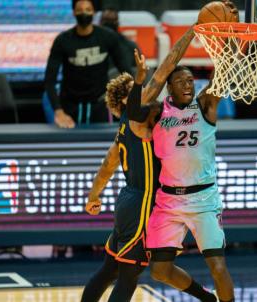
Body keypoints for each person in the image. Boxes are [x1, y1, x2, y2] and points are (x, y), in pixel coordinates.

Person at [81, 8, 218, 301]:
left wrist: (94, 196)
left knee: (109, 269)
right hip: (143, 201)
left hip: (127, 200)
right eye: (138, 89)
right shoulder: (139, 114)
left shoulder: (124, 127)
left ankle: (206, 298)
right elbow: (169, 64)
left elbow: (107, 165)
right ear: (128, 98)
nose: (147, 92)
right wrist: (194, 30)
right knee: (129, 276)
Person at [127, 4, 238, 302]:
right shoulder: (157, 112)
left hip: (203, 198)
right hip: (169, 200)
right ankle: (206, 298)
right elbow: (133, 111)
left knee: (217, 265)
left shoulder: (205, 105)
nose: (188, 84)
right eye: (181, 81)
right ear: (170, 89)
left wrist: (230, 37)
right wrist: (140, 80)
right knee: (160, 271)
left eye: (191, 80)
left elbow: (225, 73)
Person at [44, 0, 132, 128]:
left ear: (94, 12)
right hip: (70, 107)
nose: (84, 13)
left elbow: (127, 73)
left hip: (100, 105)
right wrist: (58, 111)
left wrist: (127, 99)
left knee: (104, 146)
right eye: (80, 10)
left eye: (88, 9)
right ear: (74, 12)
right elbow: (49, 80)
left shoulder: (107, 37)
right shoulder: (62, 41)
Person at [99, 5, 141, 78]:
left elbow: (138, 72)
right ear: (100, 22)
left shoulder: (130, 46)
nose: (109, 23)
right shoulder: (93, 44)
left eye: (112, 20)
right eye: (106, 20)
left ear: (117, 22)